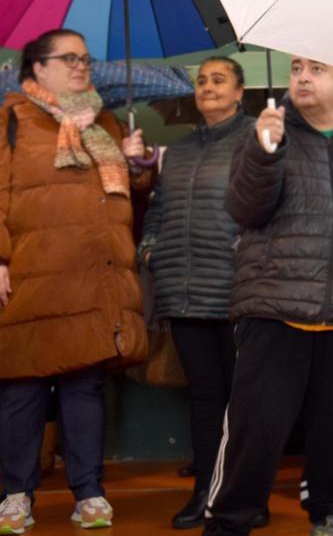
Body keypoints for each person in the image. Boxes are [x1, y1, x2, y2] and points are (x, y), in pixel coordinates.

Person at [203, 56, 333, 536]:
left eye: (316, 68)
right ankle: (228, 521)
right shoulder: (270, 131)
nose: (302, 76)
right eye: (297, 67)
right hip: (274, 306)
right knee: (252, 430)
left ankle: (330, 514)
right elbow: (244, 209)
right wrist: (265, 151)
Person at [0, 29, 152, 532]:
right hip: (30, 278)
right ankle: (16, 495)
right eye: (69, 58)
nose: (81, 66)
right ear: (37, 69)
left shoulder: (103, 123)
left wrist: (135, 167)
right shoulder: (10, 121)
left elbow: (121, 205)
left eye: (85, 59)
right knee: (21, 389)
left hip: (93, 278)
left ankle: (89, 493)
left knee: (84, 387)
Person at [137, 57, 262, 529]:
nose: (207, 87)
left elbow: (272, 205)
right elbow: (158, 209)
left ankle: (247, 495)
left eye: (218, 80)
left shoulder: (258, 141)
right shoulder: (182, 148)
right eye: (202, 81)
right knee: (206, 399)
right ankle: (204, 494)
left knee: (244, 402)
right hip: (184, 293)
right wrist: (151, 250)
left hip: (239, 290)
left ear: (238, 91)